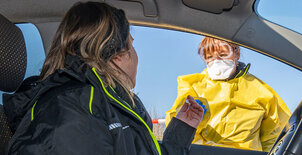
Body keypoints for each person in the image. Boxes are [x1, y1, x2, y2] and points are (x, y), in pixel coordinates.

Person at [2, 2, 204, 154]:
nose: (135, 55)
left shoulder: (111, 106)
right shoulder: (69, 110)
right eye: (131, 45)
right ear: (116, 55)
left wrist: (180, 132)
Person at [165, 37, 291, 152]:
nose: (216, 62)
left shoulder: (262, 92)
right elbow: (176, 130)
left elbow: (275, 136)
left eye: (223, 55)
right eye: (209, 57)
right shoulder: (193, 87)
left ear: (237, 53)